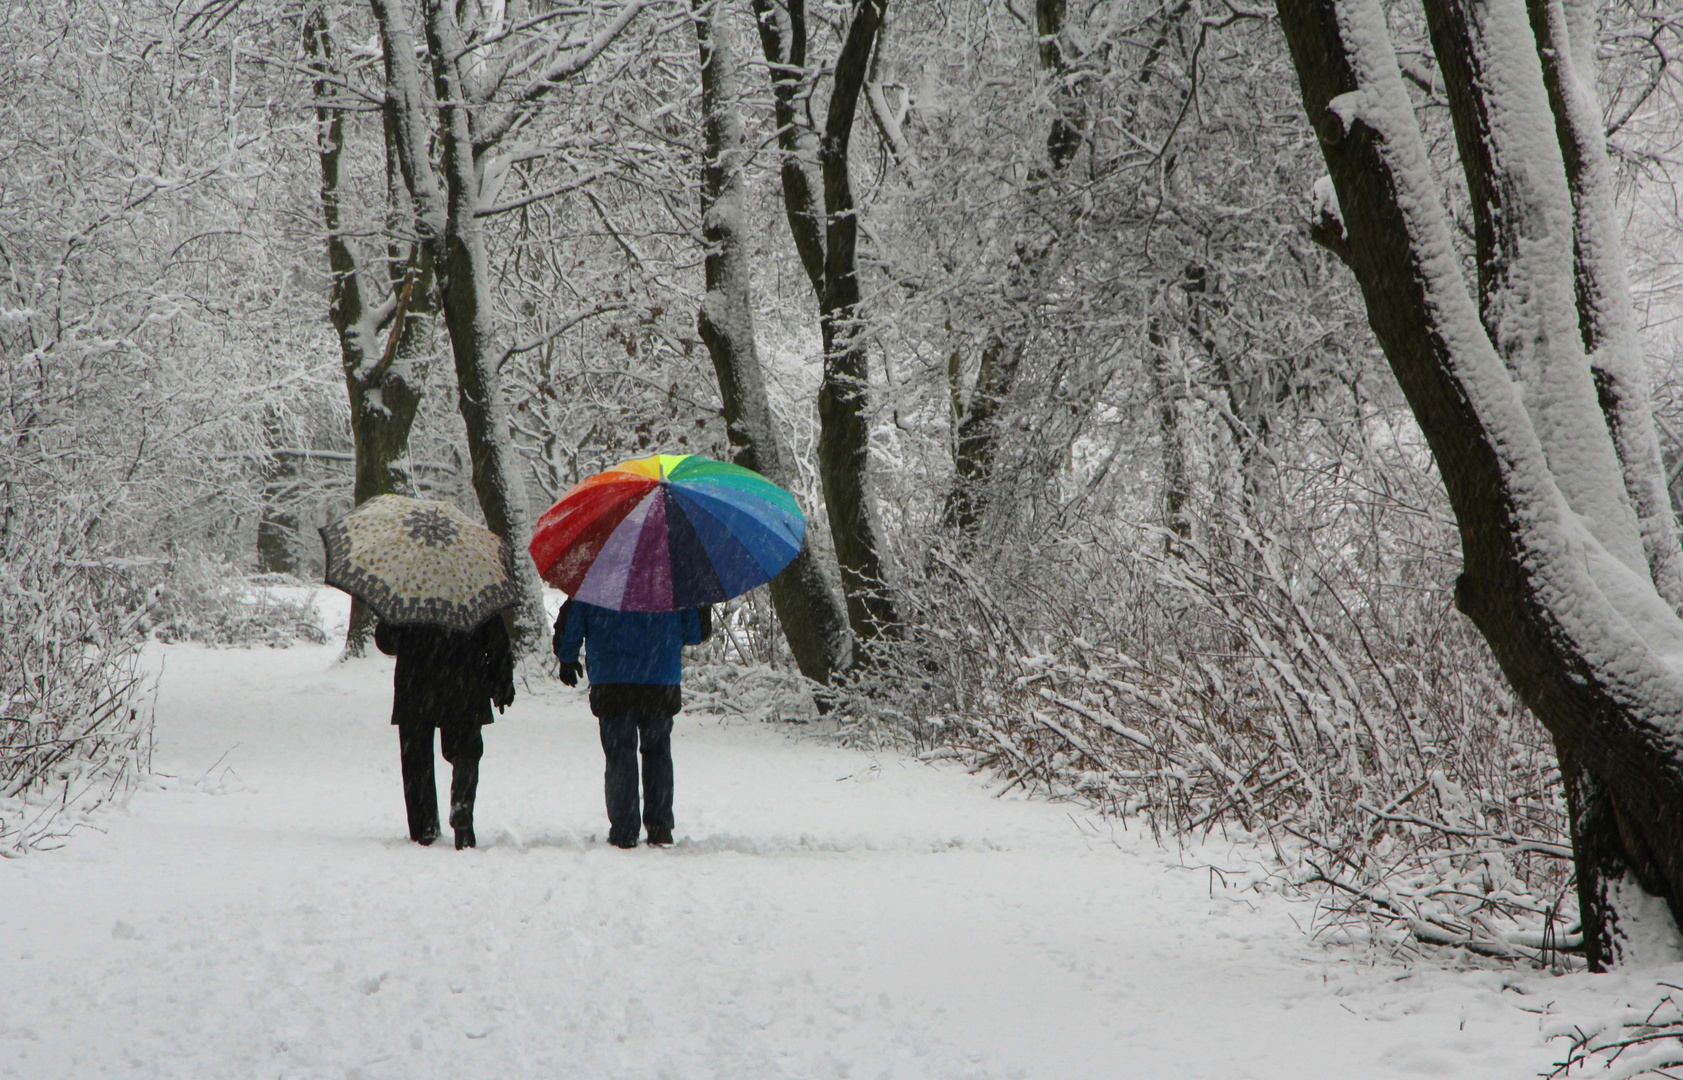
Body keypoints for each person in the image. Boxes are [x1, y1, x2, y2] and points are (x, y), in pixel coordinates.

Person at [553, 599, 711, 849]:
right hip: (660, 681)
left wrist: (567, 657)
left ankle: (624, 830)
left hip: (612, 681)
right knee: (658, 753)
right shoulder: (673, 581)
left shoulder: (598, 579)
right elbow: (695, 633)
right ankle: (660, 828)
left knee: (619, 756)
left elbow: (572, 621)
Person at [375, 613, 515, 849]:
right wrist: (501, 683)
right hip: (464, 682)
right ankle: (462, 805)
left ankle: (423, 826)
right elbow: (497, 643)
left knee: (416, 759)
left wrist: (392, 622)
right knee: (466, 752)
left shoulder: (411, 592)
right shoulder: (474, 591)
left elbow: (388, 642)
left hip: (416, 685)